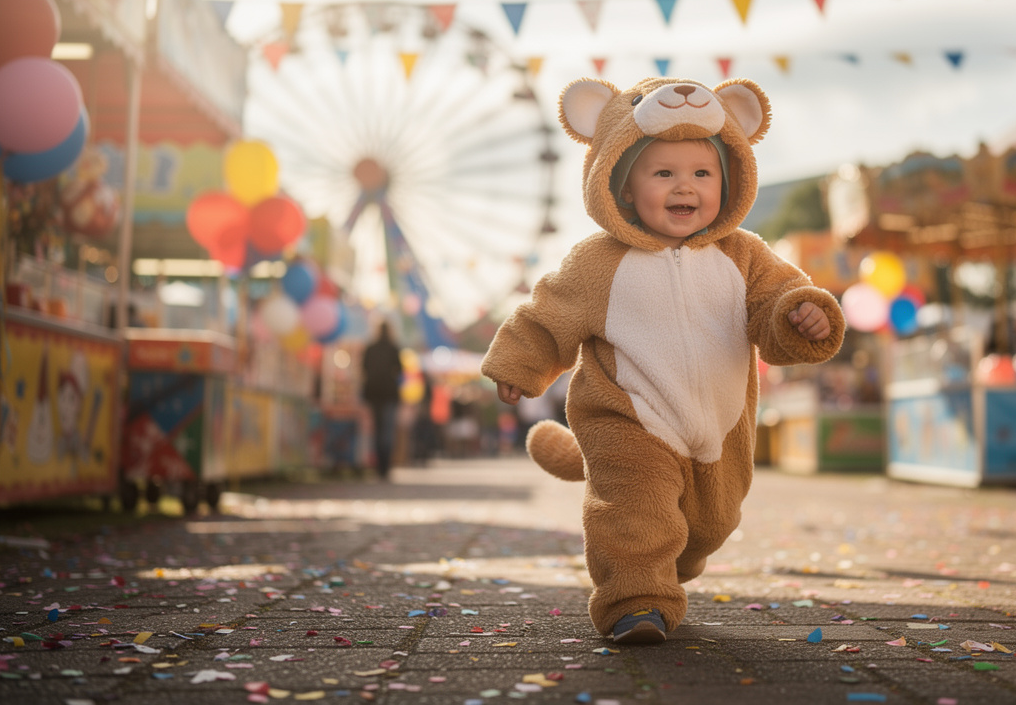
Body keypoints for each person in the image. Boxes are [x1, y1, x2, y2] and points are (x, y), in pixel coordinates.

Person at [481, 77, 844, 644]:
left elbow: (777, 298)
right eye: (663, 173)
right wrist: (518, 361)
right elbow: (548, 313)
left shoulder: (744, 255)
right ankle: (635, 597)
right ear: (623, 186)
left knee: (711, 523)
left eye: (702, 173)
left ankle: (669, 560)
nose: (685, 186)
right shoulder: (598, 262)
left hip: (719, 428)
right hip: (628, 419)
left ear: (730, 180)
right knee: (634, 510)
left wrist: (801, 313)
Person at [361, 320, 403, 480]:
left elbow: (364, 368)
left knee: (377, 429)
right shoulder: (394, 348)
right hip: (389, 393)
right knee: (387, 430)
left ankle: (378, 466)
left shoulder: (370, 348)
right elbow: (399, 370)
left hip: (373, 393)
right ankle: (385, 466)